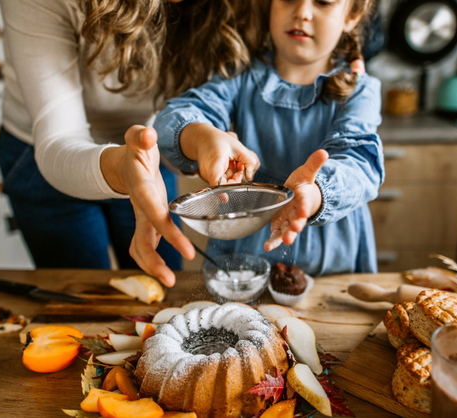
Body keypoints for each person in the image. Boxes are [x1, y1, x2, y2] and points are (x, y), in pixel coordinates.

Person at [0, 0, 261, 286]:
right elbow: (58, 140)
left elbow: (183, 118)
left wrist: (200, 141)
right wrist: (123, 169)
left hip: (149, 154)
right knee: (83, 296)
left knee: (160, 285)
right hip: (42, 155)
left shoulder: (238, 9)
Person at [155, 0, 384, 276]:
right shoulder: (240, 75)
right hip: (244, 253)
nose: (302, 12)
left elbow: (360, 163)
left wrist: (316, 194)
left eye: (323, 1)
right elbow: (173, 120)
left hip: (333, 258)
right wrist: (203, 138)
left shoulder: (361, 90)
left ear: (352, 15)